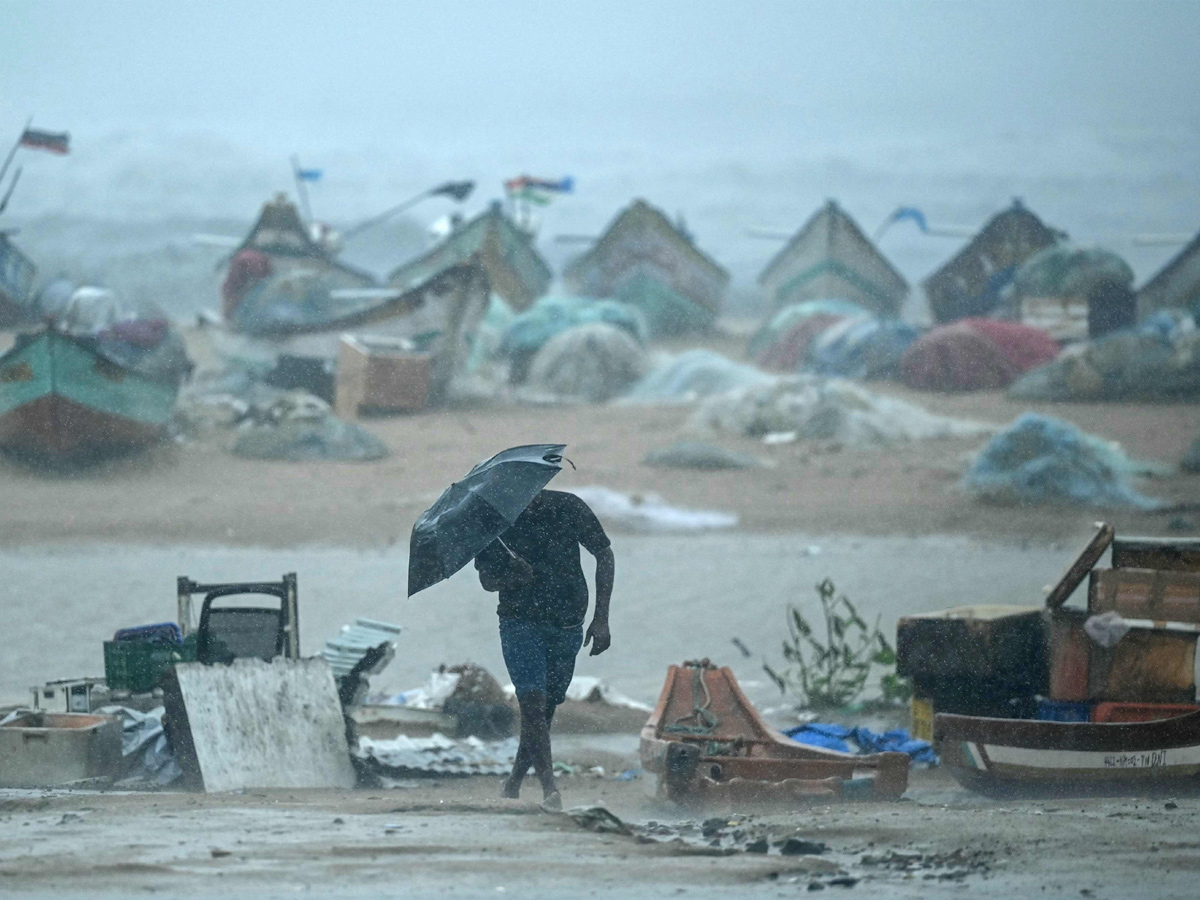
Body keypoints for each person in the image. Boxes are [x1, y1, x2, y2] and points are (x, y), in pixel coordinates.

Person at [474, 489, 614, 809]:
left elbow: (604, 553)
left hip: (567, 622)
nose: (529, 498)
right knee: (532, 703)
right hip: (519, 622)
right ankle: (550, 788)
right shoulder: (494, 522)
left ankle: (513, 781)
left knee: (545, 709)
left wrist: (601, 617)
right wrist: (511, 577)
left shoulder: (568, 507)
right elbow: (487, 580)